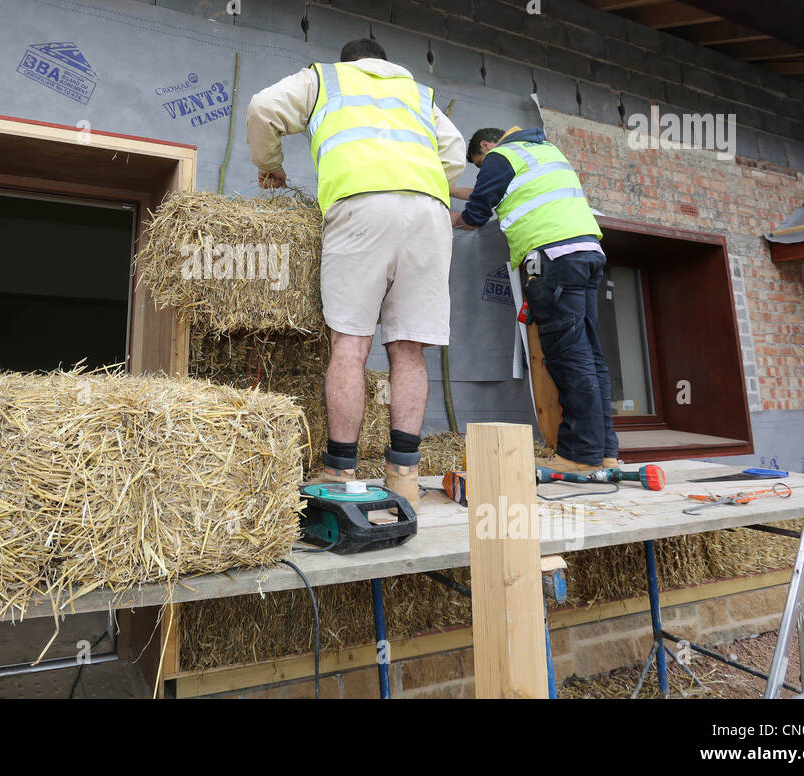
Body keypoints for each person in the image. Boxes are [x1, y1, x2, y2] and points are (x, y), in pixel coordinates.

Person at [246, 37, 466, 508]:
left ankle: (340, 471)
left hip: (361, 204)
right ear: (385, 63)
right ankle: (404, 472)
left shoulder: (325, 77)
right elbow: (455, 153)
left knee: (350, 344)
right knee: (409, 348)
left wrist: (271, 165)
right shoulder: (418, 93)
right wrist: (422, 181)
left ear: (350, 61)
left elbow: (263, 107)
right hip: (429, 210)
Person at [452, 125, 619, 471]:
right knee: (590, 354)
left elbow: (476, 216)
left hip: (553, 259)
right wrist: (451, 189)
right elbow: (492, 190)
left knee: (567, 355)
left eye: (479, 165)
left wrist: (446, 217)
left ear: (485, 146)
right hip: (586, 253)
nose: (484, 171)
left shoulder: (501, 157)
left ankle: (579, 454)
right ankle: (605, 452)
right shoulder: (543, 152)